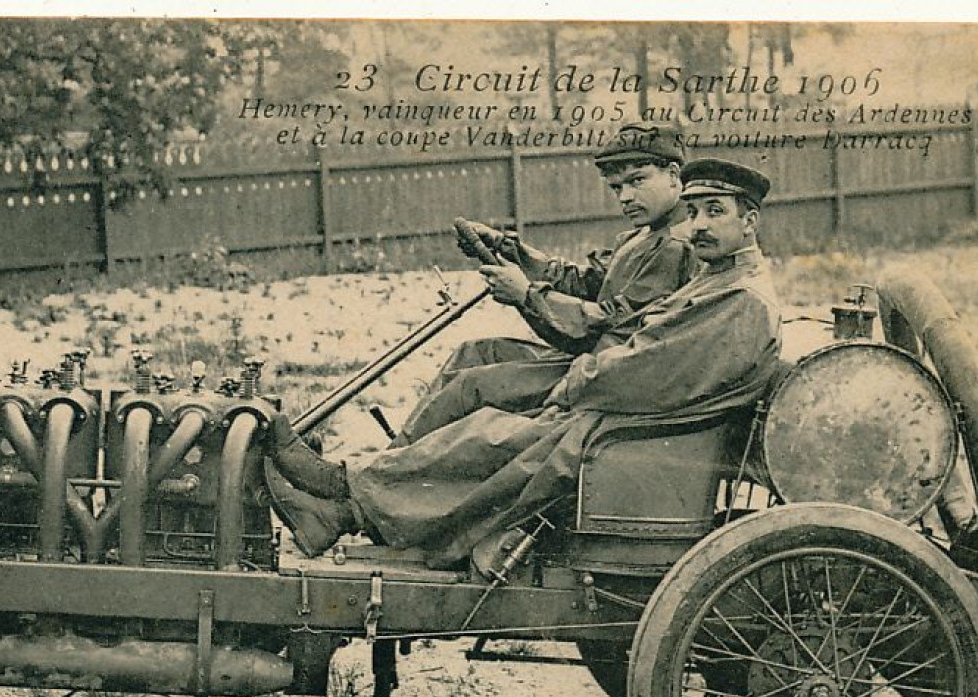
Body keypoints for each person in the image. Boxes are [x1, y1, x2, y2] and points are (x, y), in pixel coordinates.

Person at [265, 158, 784, 569]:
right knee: (490, 420)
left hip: (635, 426)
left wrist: (575, 381)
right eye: (694, 214)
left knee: (495, 436)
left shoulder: (740, 298)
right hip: (628, 412)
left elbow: (649, 365)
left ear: (750, 219)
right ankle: (345, 500)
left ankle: (344, 491)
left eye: (715, 212)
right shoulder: (718, 278)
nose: (698, 227)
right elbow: (644, 346)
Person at [389, 123, 697, 445]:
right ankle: (403, 452)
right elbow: (586, 282)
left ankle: (384, 472)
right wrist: (508, 249)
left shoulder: (676, 246)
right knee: (476, 353)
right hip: (590, 359)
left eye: (637, 181)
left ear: (673, 175)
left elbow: (614, 323)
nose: (626, 197)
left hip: (602, 373)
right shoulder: (641, 236)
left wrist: (526, 294)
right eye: (617, 187)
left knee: (471, 386)